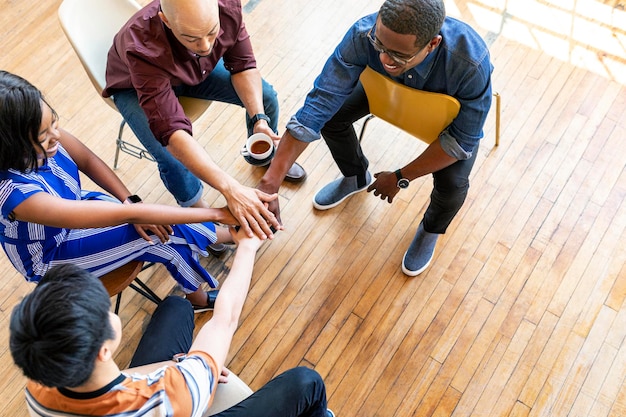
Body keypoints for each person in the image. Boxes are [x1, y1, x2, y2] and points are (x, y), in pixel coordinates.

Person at [258, 0, 493, 276]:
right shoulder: (363, 33)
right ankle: (356, 176)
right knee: (331, 118)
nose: (384, 59)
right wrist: (270, 180)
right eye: (379, 45)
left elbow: (460, 142)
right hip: (386, 96)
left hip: (447, 128)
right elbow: (319, 103)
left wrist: (399, 177)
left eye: (398, 55)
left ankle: (430, 228)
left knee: (453, 183)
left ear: (432, 44)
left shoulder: (470, 62)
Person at [0, 70, 254, 310]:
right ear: (11, 144)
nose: (56, 135)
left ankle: (221, 253)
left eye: (54, 123)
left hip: (78, 207)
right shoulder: (14, 194)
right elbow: (128, 216)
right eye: (44, 136)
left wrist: (129, 200)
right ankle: (232, 235)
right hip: (51, 256)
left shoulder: (43, 131)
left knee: (158, 229)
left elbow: (88, 161)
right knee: (155, 230)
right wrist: (217, 213)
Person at [9, 259, 335, 415]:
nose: (111, 313)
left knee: (176, 308)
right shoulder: (164, 399)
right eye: (106, 312)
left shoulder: (40, 381)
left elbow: (113, 384)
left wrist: (176, 365)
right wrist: (249, 244)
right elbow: (225, 319)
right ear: (103, 350)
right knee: (306, 383)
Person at [103, 0, 304, 240]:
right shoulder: (142, 48)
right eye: (192, 38)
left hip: (190, 70)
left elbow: (243, 65)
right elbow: (173, 135)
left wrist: (259, 118)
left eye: (212, 32)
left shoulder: (227, 8)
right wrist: (231, 189)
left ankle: (262, 153)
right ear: (166, 21)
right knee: (171, 157)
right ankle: (202, 221)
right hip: (134, 87)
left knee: (266, 97)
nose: (206, 46)